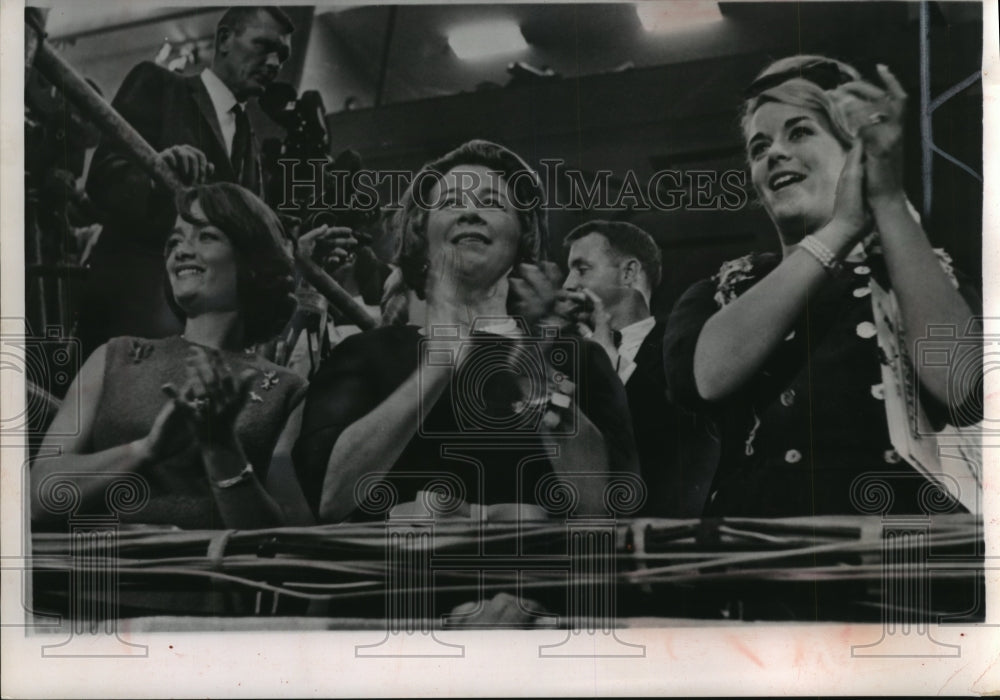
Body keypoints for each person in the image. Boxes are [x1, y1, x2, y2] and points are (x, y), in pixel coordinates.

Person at [663, 56, 981, 517]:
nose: (773, 153)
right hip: (762, 560)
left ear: (856, 152)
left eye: (800, 132)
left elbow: (963, 390)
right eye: (758, 147)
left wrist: (885, 198)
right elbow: (708, 379)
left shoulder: (916, 275)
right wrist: (841, 228)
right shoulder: (725, 288)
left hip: (900, 560)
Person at [293, 140, 638, 524]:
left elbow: (608, 509)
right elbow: (327, 500)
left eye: (492, 203)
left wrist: (532, 375)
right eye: (451, 202)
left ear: (523, 232)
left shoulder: (578, 357)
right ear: (422, 232)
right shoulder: (364, 354)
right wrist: (439, 363)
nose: (471, 211)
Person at [31, 183, 307, 531]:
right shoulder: (113, 358)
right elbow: (41, 496)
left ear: (252, 260)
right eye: (174, 241)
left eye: (205, 236)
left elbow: (291, 541)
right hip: (107, 581)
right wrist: (146, 450)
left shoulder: (286, 391)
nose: (181, 251)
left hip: (215, 583)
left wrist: (221, 448)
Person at [80, 6, 294, 354]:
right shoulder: (159, 84)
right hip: (131, 326)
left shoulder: (251, 144)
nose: (273, 63)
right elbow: (102, 180)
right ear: (225, 39)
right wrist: (156, 174)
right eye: (264, 46)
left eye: (282, 56)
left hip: (205, 343)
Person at [562, 220, 716, 517]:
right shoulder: (566, 354)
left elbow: (687, 444)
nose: (567, 284)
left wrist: (610, 363)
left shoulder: (686, 340)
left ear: (629, 273)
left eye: (581, 269)